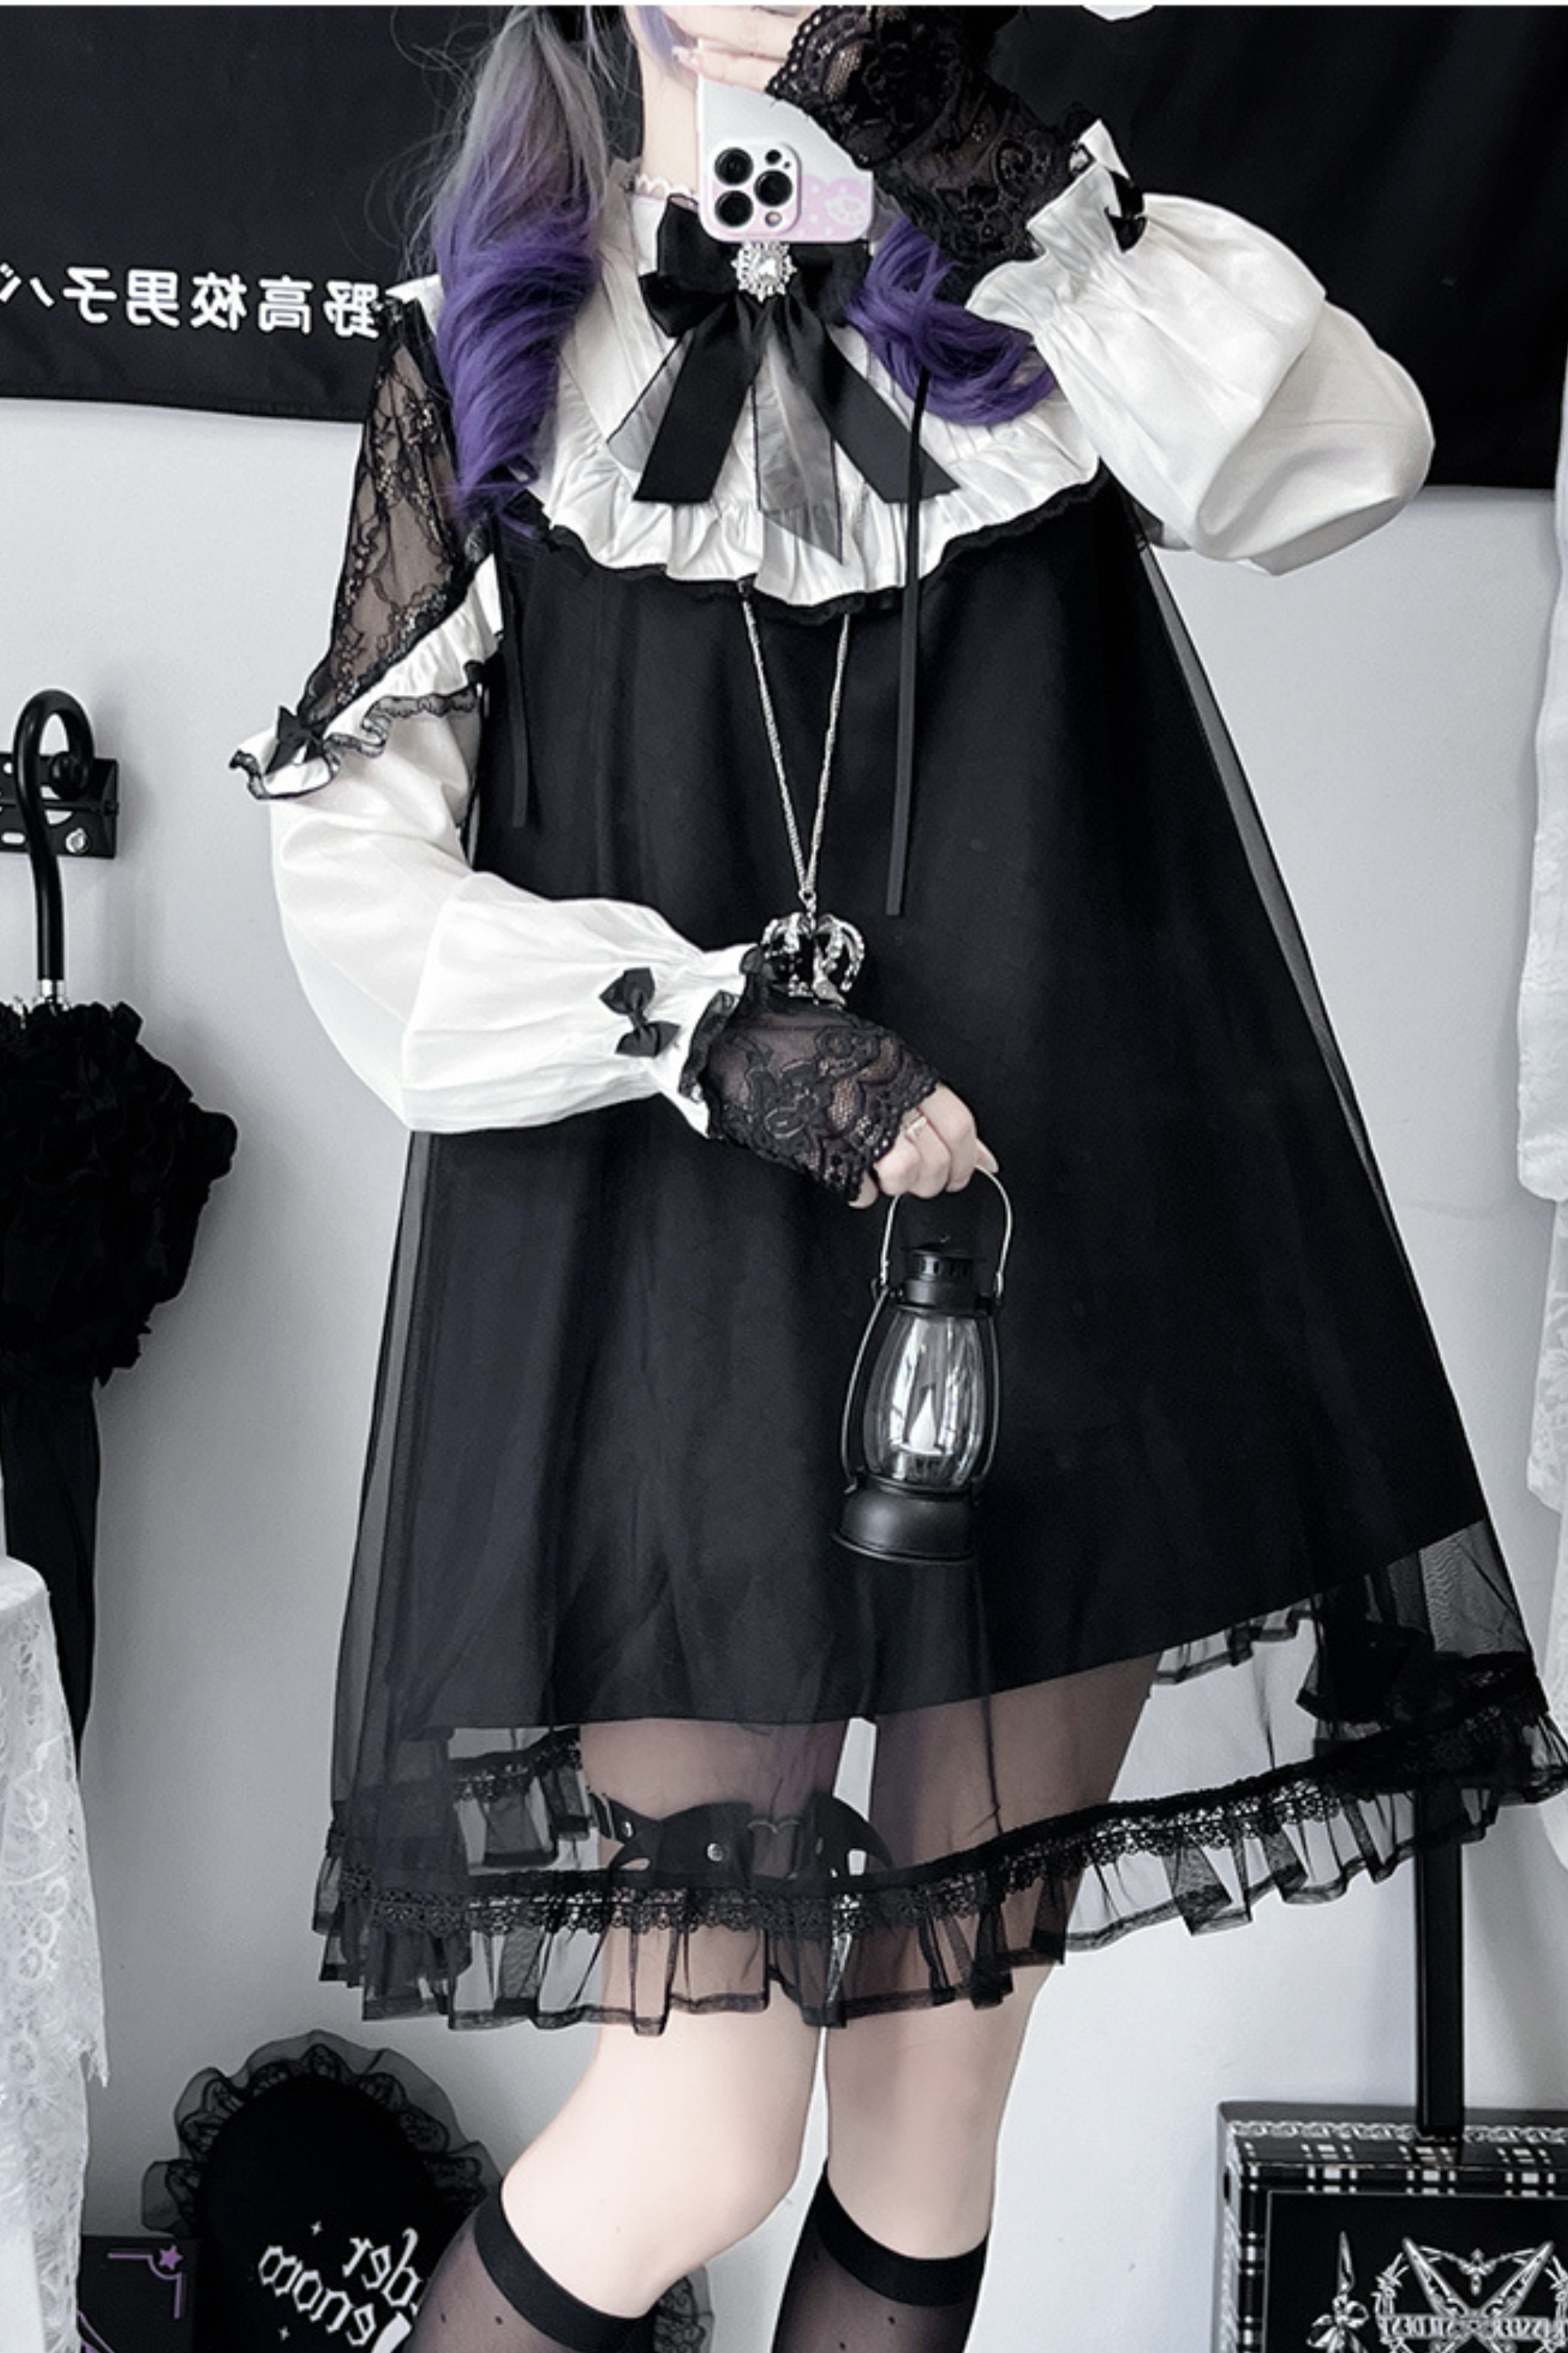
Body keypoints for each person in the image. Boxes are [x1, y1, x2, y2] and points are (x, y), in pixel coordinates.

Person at [234, 9, 1568, 2350]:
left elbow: (1347, 461)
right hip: (673, 1319)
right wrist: (713, 1033)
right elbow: (353, 878)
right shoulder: (504, 345)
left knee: (931, 2118)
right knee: (699, 2128)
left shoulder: (1047, 284)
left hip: (1067, 1275)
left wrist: (985, 166)